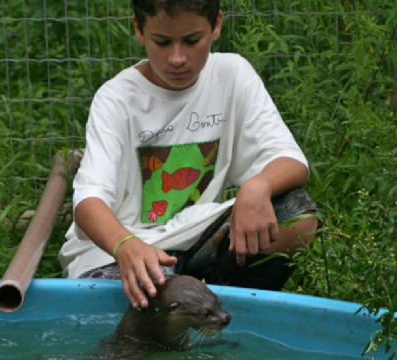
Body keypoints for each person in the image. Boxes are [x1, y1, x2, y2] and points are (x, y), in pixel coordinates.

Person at [59, 0, 319, 309]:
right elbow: (88, 202)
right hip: (116, 252)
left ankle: (224, 308)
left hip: (195, 235)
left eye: (192, 41)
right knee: (155, 306)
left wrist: (258, 185)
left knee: (296, 217)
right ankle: (192, 304)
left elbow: (291, 160)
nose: (177, 58)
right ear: (138, 29)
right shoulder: (116, 98)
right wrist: (126, 244)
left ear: (217, 25)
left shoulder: (233, 74)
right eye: (162, 42)